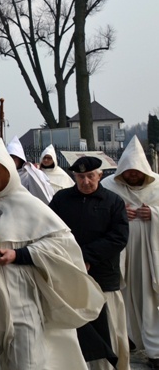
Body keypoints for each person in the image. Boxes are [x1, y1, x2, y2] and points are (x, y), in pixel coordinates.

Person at [0, 139, 105, 370]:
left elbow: (61, 244)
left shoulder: (30, 205)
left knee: (28, 360)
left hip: (20, 292)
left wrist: (19, 255)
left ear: (8, 173)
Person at [49, 156, 130, 370]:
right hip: (69, 275)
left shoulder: (113, 201)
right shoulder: (61, 200)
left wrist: (86, 257)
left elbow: (118, 237)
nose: (86, 182)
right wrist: (73, 259)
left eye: (90, 176)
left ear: (100, 175)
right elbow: (50, 231)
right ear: (74, 177)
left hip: (103, 277)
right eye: (81, 177)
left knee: (109, 332)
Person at [101, 136, 159, 370]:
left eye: (137, 171)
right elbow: (99, 210)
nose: (133, 175)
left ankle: (155, 348)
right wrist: (118, 211)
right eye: (129, 171)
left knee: (149, 297)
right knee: (122, 296)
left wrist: (154, 214)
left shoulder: (157, 187)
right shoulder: (109, 187)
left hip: (149, 253)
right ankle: (127, 340)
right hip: (121, 252)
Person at [6, 136, 54, 204]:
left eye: (14, 157)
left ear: (20, 158)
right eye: (9, 157)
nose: (11, 160)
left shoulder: (30, 174)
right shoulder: (4, 175)